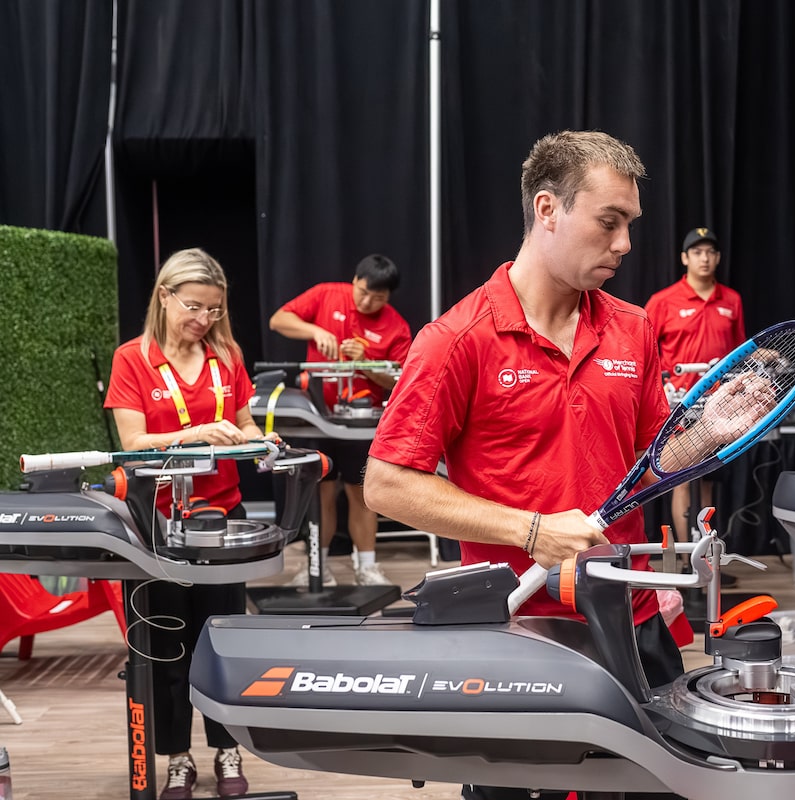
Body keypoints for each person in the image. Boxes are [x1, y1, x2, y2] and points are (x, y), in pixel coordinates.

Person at [362, 130, 686, 800]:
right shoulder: (456, 339)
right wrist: (532, 530)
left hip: (631, 623)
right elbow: (386, 485)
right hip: (515, 635)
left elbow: (653, 464)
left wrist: (713, 432)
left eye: (630, 224)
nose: (625, 243)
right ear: (547, 210)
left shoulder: (633, 329)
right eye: (609, 222)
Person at [104, 247, 267, 800]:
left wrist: (259, 440)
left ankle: (227, 749)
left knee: (221, 643)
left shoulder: (227, 355)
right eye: (194, 306)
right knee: (166, 646)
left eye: (214, 309)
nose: (204, 319)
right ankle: (178, 757)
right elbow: (131, 444)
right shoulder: (133, 359)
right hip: (156, 524)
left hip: (221, 521)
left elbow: (244, 424)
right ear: (165, 296)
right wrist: (194, 434)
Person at [269, 254, 412, 586]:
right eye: (363, 292)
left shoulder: (396, 326)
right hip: (316, 417)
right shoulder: (326, 294)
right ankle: (317, 566)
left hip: (360, 424)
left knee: (361, 495)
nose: (367, 302)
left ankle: (367, 567)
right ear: (354, 281)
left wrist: (366, 362)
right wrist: (315, 330)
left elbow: (400, 380)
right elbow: (278, 320)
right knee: (320, 494)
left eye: (377, 298)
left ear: (388, 296)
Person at [646, 226, 745, 543]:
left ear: (718, 257)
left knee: (708, 479)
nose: (705, 259)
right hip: (680, 406)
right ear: (684, 258)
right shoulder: (663, 301)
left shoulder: (731, 300)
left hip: (720, 405)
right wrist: (659, 387)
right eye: (697, 252)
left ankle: (706, 555)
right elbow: (643, 350)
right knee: (681, 478)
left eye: (710, 252)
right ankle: (687, 555)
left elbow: (739, 351)